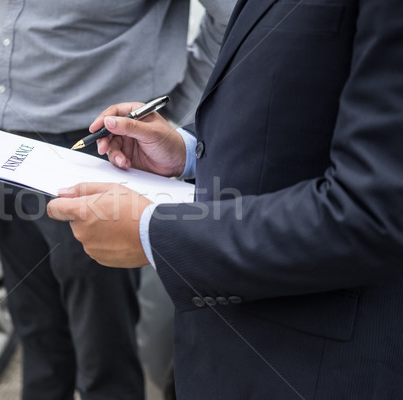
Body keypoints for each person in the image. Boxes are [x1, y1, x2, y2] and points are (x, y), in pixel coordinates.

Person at [47, 0, 403, 398]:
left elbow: (370, 214)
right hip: (224, 350)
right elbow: (292, 101)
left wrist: (155, 235)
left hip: (311, 367)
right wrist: (187, 148)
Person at [0, 1, 236, 399]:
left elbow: (231, 17)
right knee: (35, 330)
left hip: (96, 151)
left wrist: (176, 121)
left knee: (103, 353)